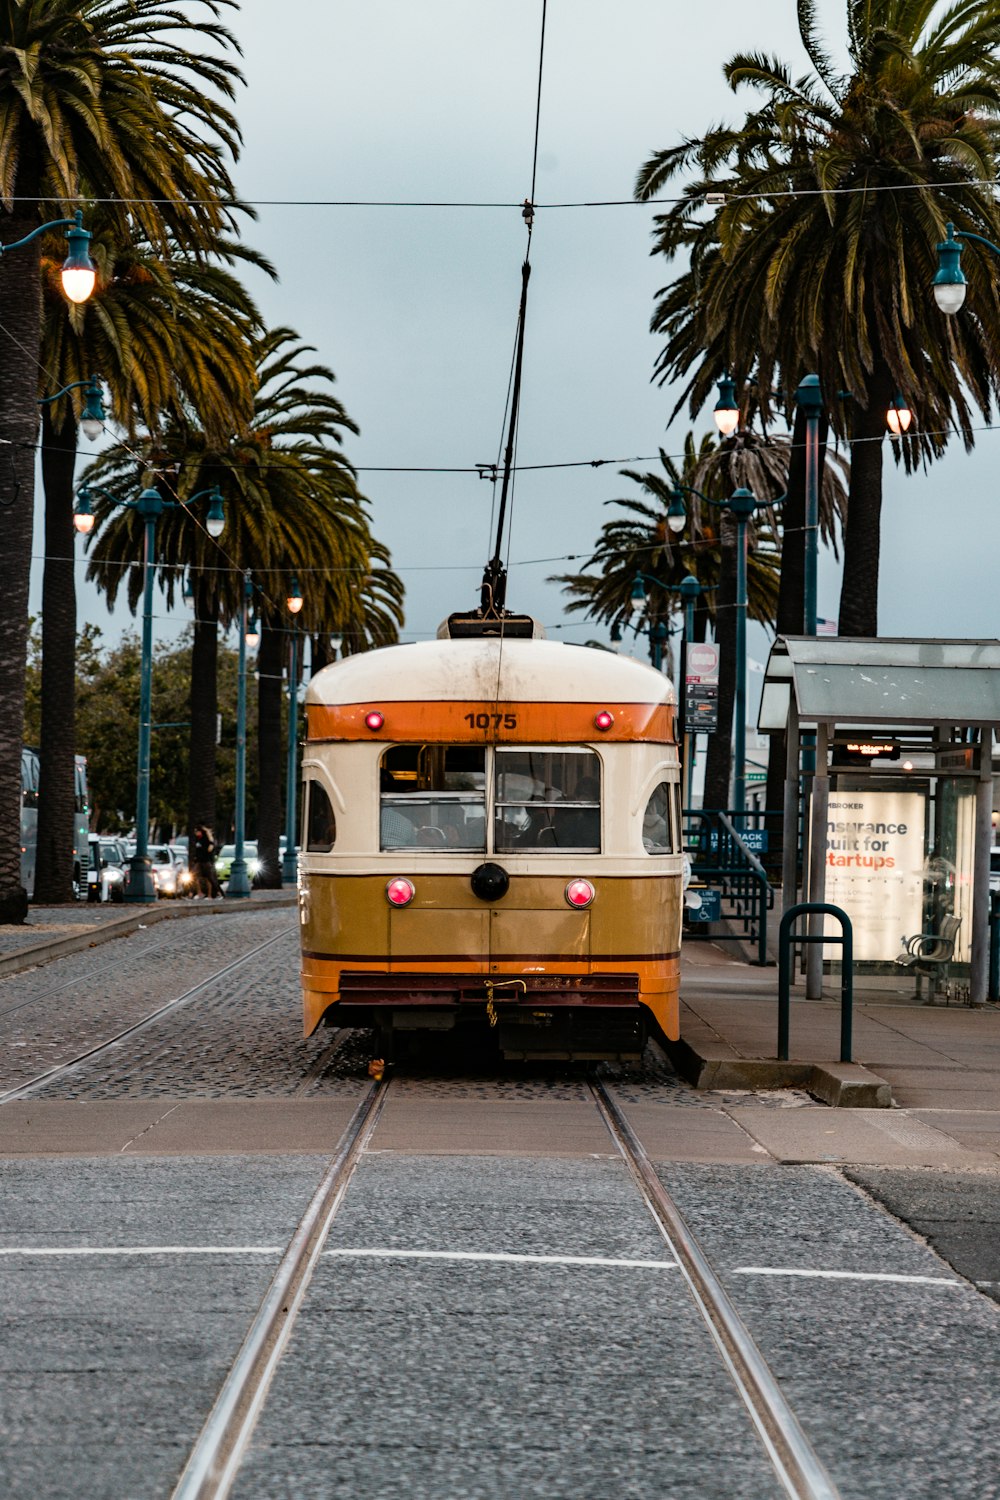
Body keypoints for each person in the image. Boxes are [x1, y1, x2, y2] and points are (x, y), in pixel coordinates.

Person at [192, 823, 222, 898]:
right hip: (199, 861)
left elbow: (209, 849)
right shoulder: (197, 839)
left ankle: (214, 894)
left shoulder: (207, 839)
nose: (195, 833)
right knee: (195, 876)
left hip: (206, 861)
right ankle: (199, 893)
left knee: (210, 878)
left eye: (197, 831)